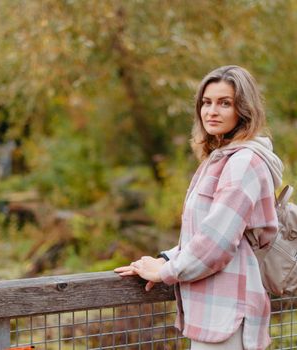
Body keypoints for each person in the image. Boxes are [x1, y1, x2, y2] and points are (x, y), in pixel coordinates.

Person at [115, 65, 283, 350]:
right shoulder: (220, 158)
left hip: (229, 312)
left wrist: (164, 273)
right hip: (213, 311)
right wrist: (167, 259)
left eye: (224, 103)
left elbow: (217, 242)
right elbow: (206, 232)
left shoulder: (243, 162)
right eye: (206, 103)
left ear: (243, 110)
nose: (211, 111)